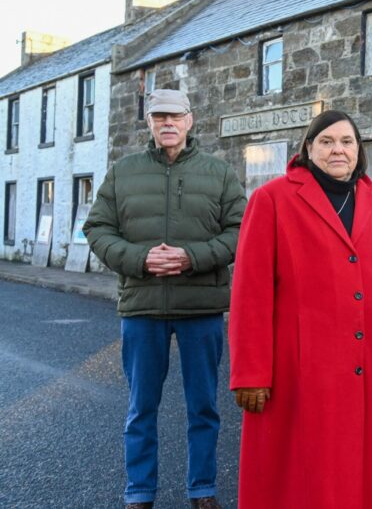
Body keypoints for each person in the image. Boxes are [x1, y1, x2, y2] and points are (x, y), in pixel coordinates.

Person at [228, 110, 372, 508]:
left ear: (358, 150)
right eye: (326, 141)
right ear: (308, 148)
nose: (338, 150)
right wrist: (250, 372)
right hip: (299, 368)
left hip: (365, 363)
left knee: (356, 473)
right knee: (297, 477)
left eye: (347, 141)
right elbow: (250, 292)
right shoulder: (272, 199)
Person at [83, 89, 246, 509]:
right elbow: (97, 229)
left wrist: (191, 257)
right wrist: (140, 259)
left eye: (175, 116)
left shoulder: (220, 173)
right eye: (159, 117)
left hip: (202, 308)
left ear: (190, 120)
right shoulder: (123, 172)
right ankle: (139, 491)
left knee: (204, 408)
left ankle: (203, 488)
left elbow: (240, 231)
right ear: (150, 123)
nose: (167, 123)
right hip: (142, 306)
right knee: (141, 409)